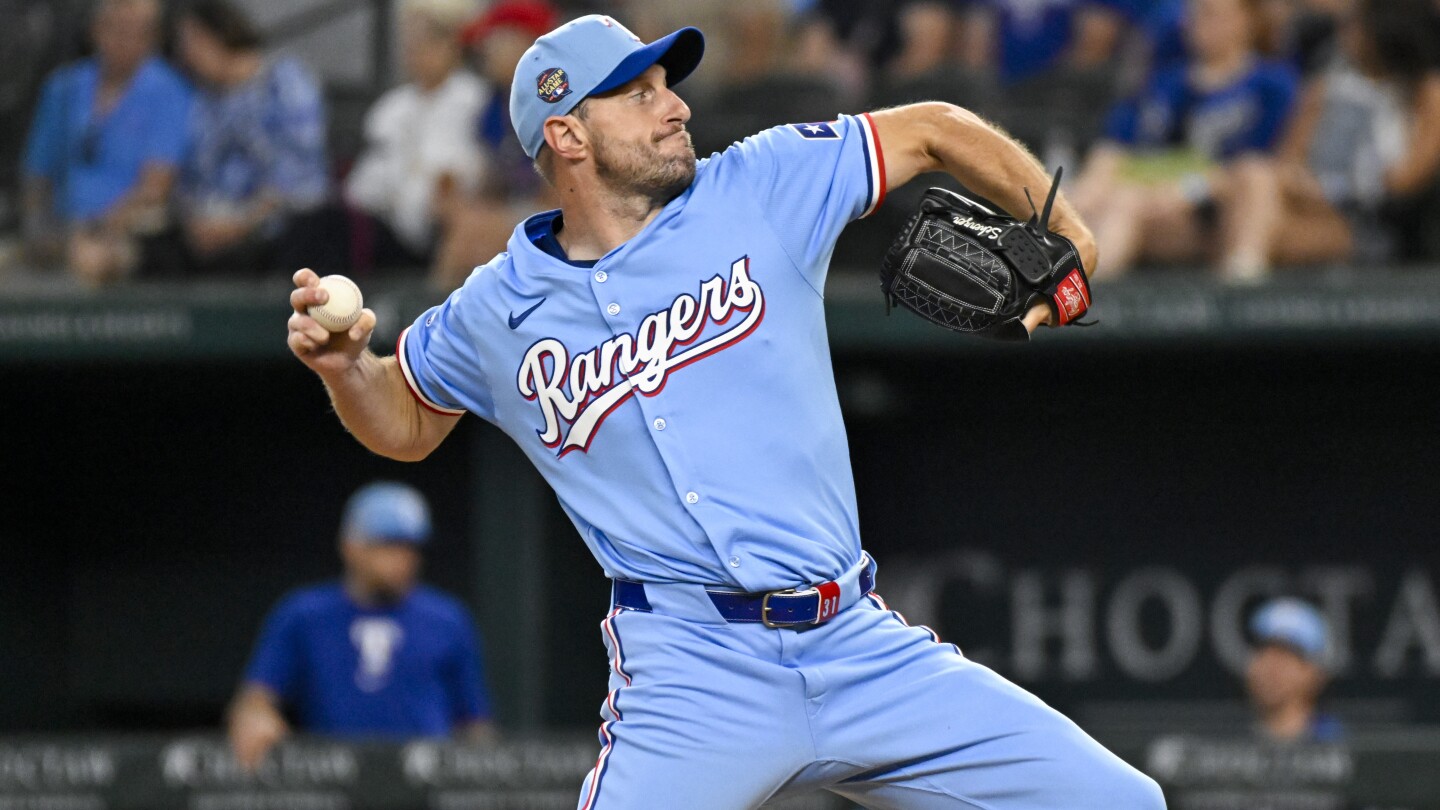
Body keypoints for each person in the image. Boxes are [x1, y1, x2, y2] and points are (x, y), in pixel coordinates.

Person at [285, 15, 1166, 808]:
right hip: (693, 674)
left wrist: (1072, 236)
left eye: (668, 85)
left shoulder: (762, 182)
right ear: (567, 133)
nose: (674, 108)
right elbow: (402, 419)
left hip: (856, 643)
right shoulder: (492, 310)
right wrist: (342, 369)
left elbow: (933, 129)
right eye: (638, 93)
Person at [228, 482, 495, 771]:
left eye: (410, 547)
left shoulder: (447, 618)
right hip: (335, 781)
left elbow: (475, 723)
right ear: (351, 547)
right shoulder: (305, 615)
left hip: (425, 784)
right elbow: (255, 700)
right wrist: (256, 717)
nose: (403, 559)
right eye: (388, 545)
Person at [1070, 0, 1299, 281]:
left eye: (1212, 14)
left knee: (1255, 177)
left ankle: (1242, 280)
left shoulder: (1272, 84)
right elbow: (1113, 151)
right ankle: (1076, 299)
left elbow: (1265, 167)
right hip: (1156, 207)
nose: (1197, 23)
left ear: (1248, 21)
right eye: (1194, 14)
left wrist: (1185, 191)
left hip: (1225, 206)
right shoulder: (1163, 83)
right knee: (1115, 203)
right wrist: (1072, 202)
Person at [20, 0, 191, 284]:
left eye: (139, 32)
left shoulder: (169, 90)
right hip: (60, 230)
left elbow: (155, 188)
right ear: (96, 30)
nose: (126, 40)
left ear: (154, 38)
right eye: (117, 28)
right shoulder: (63, 86)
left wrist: (96, 230)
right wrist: (39, 229)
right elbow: (37, 175)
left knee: (92, 263)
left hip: (130, 231)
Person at [1267, 0, 1440, 266]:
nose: (1344, 35)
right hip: (1302, 201)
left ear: (1386, 29)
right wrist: (1301, 187)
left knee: (1259, 224)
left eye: (1354, 25)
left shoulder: (1427, 92)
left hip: (1370, 223)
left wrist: (1327, 192)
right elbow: (1287, 161)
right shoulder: (1325, 86)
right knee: (1252, 186)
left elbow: (1403, 185)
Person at [174, 0, 338, 277]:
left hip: (279, 230)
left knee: (310, 231)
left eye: (193, 42)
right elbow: (190, 181)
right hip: (213, 235)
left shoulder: (285, 82)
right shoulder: (202, 104)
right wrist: (199, 224)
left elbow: (302, 180)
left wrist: (242, 224)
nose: (187, 56)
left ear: (219, 34)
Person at [344, 0, 485, 275]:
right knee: (329, 223)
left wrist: (451, 182)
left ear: (452, 49)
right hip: (392, 221)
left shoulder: (475, 98)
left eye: (429, 45)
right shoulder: (391, 107)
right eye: (412, 47)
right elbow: (364, 181)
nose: (419, 55)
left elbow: (479, 163)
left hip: (445, 220)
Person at [429, 0, 558, 289]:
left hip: (565, 213)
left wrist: (491, 220)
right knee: (468, 228)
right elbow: (494, 179)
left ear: (528, 43)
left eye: (497, 40)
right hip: (517, 207)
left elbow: (562, 194)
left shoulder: (554, 99)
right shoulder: (494, 104)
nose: (486, 49)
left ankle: (432, 322)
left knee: (471, 234)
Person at [1246, 597, 1344, 742]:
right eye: (1264, 653)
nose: (1271, 668)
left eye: (1286, 656)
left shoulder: (1337, 744)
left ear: (1316, 673)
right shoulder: (1226, 745)